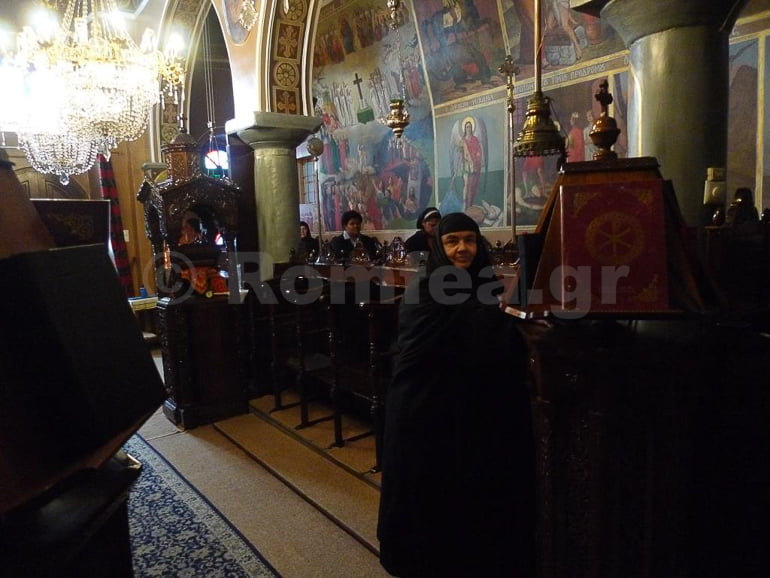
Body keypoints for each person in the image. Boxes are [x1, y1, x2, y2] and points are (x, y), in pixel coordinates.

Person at [377, 212, 536, 577]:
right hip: (426, 406)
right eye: (452, 241)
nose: (462, 248)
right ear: (439, 246)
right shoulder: (426, 287)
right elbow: (445, 341)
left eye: (469, 240)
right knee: (431, 492)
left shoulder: (484, 281)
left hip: (469, 405)